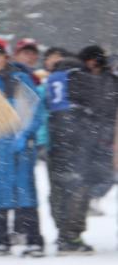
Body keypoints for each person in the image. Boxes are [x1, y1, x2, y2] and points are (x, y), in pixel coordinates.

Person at [0, 38, 45, 257]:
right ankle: (1, 240)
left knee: (25, 193)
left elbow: (36, 112)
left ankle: (34, 240)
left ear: (6, 57)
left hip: (20, 148)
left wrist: (24, 135)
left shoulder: (20, 78)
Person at [45, 55, 95, 253]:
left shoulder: (52, 78)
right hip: (76, 137)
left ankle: (62, 232)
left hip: (55, 138)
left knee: (58, 189)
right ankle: (71, 236)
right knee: (78, 186)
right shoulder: (78, 74)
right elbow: (89, 106)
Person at [78, 45, 118, 214]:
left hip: (106, 133)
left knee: (107, 173)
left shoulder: (111, 80)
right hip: (84, 133)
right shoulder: (79, 77)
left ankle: (93, 198)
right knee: (84, 171)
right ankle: (85, 201)